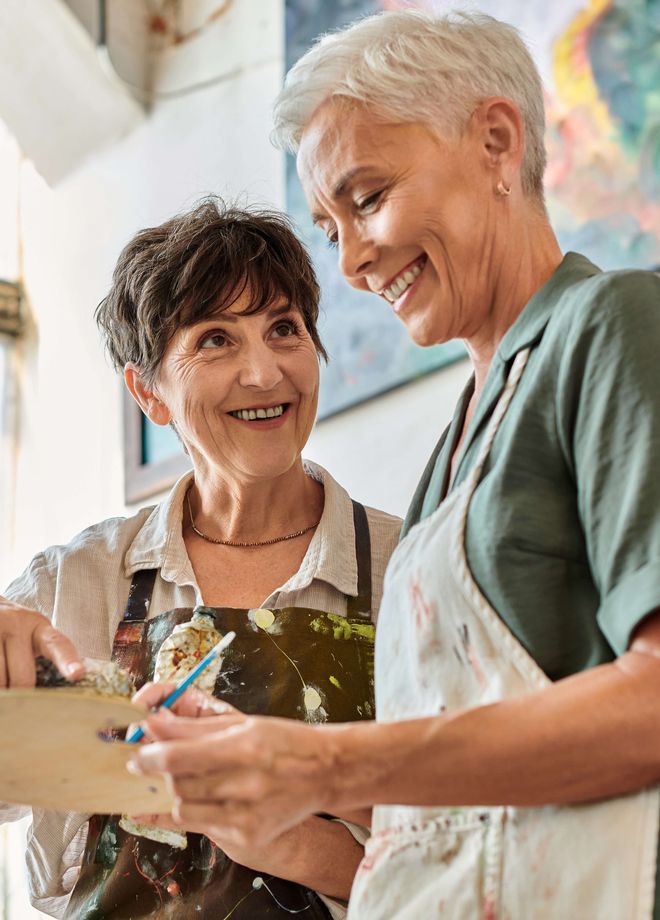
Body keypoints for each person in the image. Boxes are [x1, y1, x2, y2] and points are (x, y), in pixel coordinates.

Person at [128, 10, 660, 920]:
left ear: (497, 142)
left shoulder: (610, 326)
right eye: (332, 228)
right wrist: (283, 795)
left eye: (367, 198)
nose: (355, 261)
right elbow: (461, 811)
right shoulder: (454, 450)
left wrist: (323, 760)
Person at [0, 199, 401, 919]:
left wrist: (285, 835)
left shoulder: (409, 568)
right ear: (148, 391)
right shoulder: (73, 588)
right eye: (215, 340)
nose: (262, 372)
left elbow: (479, 846)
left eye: (284, 328)